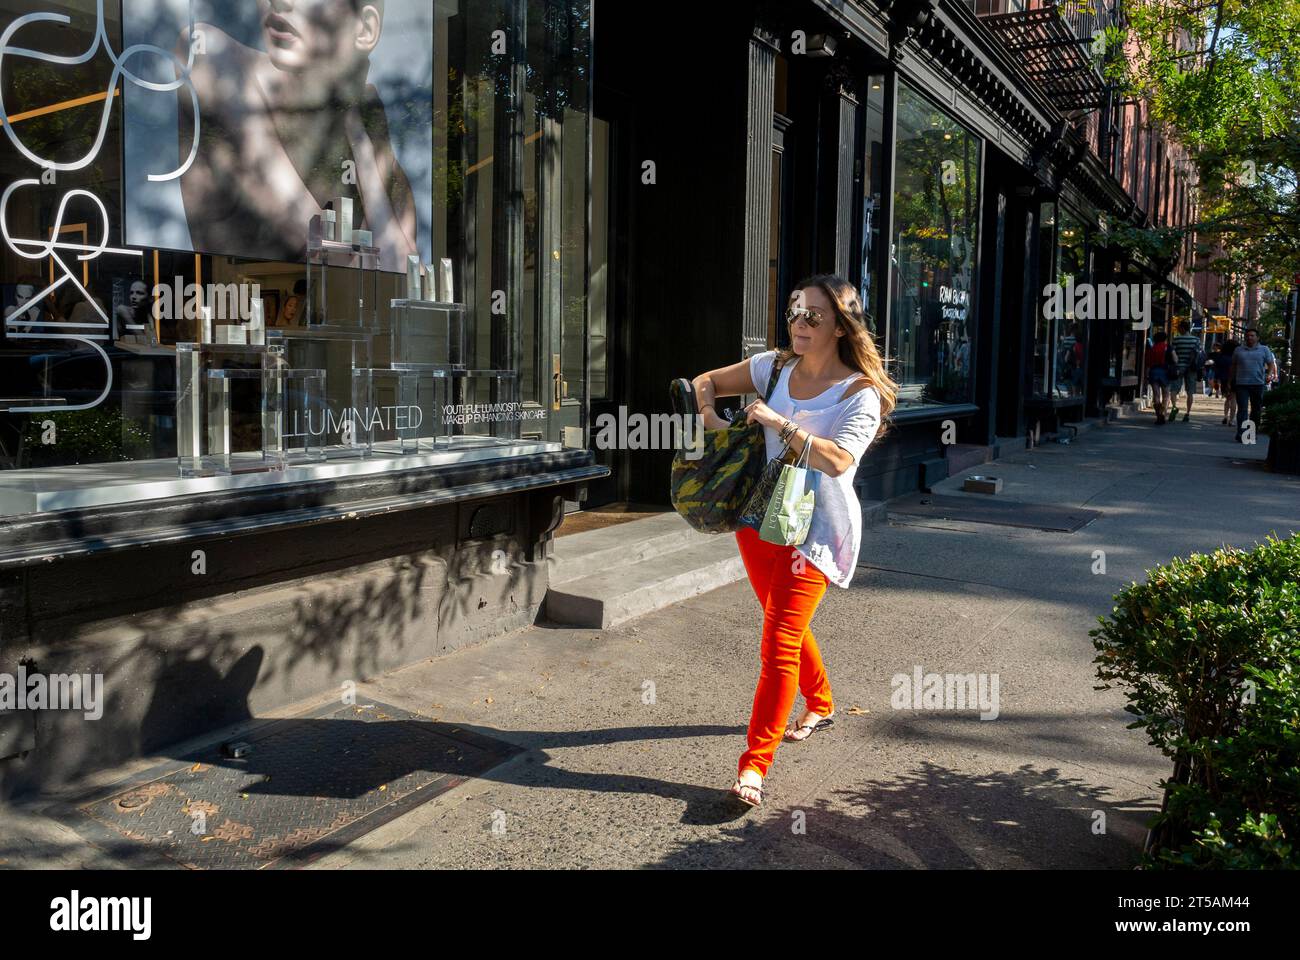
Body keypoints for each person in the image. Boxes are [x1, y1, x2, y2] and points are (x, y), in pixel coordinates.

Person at [688, 274, 896, 807]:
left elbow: (838, 460)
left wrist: (781, 421)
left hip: (817, 532)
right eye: (793, 313)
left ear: (841, 325)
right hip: (760, 520)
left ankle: (753, 767)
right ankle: (821, 701)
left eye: (813, 317)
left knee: (779, 640)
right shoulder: (773, 366)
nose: (799, 324)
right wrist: (711, 417)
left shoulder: (859, 394)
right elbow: (704, 380)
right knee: (783, 622)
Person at [177, 1, 419, 272]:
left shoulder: (364, 124)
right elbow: (331, 254)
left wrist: (365, 145)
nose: (279, 1)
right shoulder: (213, 56)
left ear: (365, 29)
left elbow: (402, 271)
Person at [1227, 328, 1278, 443]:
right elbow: (1233, 366)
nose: (1249, 337)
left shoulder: (1264, 349)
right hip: (1242, 384)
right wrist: (1230, 381)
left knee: (1256, 410)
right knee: (1243, 410)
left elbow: (1270, 363)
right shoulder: (1238, 350)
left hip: (1258, 384)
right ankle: (1242, 433)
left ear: (1257, 338)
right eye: (1248, 336)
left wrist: (1269, 374)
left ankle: (1252, 433)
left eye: (1252, 336)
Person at [1168, 320, 1202, 421]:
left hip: (1178, 367)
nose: (1178, 329)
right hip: (1191, 368)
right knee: (1190, 392)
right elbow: (1199, 354)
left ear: (1182, 328)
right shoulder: (1196, 340)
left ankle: (1174, 407)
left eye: (1179, 327)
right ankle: (1187, 413)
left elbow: (1172, 354)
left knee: (1174, 389)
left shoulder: (1176, 339)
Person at [1145, 331, 1172, 425]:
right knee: (1166, 395)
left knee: (1156, 395)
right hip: (1165, 372)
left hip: (1154, 371)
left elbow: (1148, 363)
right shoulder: (1167, 347)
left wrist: (1147, 375)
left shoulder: (1152, 348)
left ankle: (1158, 415)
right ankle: (1163, 413)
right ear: (1165, 338)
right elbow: (1175, 359)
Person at [1218, 339, 1238, 424]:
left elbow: (1218, 369)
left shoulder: (1222, 357)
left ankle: (1225, 416)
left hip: (1224, 379)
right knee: (1233, 399)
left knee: (1227, 399)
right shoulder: (1236, 357)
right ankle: (1231, 420)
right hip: (1235, 379)